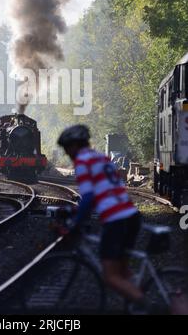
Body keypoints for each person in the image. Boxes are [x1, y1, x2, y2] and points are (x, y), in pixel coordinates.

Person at [57, 125, 146, 311]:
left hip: (116, 220)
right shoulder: (101, 158)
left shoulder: (82, 161)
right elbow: (105, 191)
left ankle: (150, 305)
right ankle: (135, 305)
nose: (67, 152)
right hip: (131, 215)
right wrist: (77, 212)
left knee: (110, 276)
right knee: (122, 269)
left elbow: (88, 197)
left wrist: (74, 224)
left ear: (74, 146)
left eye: (66, 148)